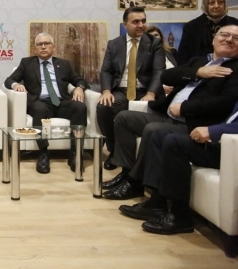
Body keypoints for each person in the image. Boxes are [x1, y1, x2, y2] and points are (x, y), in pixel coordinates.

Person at [102, 25, 238, 200]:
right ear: (214, 39)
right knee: (123, 118)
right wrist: (198, 72)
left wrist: (184, 108)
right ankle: (126, 173)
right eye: (224, 34)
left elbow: (225, 103)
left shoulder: (234, 69)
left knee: (153, 129)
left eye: (236, 38)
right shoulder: (199, 61)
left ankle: (135, 184)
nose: (229, 39)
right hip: (166, 115)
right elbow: (167, 76)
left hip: (191, 123)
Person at [118, 102, 238, 235]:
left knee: (174, 143)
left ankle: (179, 216)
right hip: (224, 142)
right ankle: (157, 203)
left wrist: (213, 131)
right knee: (168, 139)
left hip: (231, 150)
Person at [3, 32, 89, 173]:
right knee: (40, 109)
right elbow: (9, 80)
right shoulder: (27, 63)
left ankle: (75, 153)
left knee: (80, 107)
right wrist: (16, 85)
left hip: (62, 102)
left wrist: (79, 87)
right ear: (35, 48)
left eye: (47, 43)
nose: (43, 47)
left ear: (53, 47)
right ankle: (43, 153)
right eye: (39, 44)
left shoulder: (64, 64)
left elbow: (80, 80)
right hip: (40, 101)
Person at [96, 6, 165, 171]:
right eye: (136, 22)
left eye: (143, 21)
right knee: (104, 107)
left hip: (145, 91)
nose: (141, 25)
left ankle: (141, 158)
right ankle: (113, 151)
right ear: (125, 24)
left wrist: (151, 93)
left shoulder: (154, 43)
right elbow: (106, 70)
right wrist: (106, 91)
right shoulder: (114, 44)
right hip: (121, 91)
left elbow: (159, 71)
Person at [177, 0, 238, 64]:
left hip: (232, 67)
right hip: (199, 67)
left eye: (220, 2)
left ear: (225, 5)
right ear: (206, 5)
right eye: (212, 3)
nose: (216, 6)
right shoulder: (192, 27)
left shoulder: (235, 24)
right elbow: (183, 57)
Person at [146, 25, 178, 95]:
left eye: (156, 35)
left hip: (175, 91)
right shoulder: (143, 57)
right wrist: (161, 89)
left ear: (161, 37)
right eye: (150, 36)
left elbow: (180, 72)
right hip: (155, 93)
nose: (154, 38)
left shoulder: (172, 52)